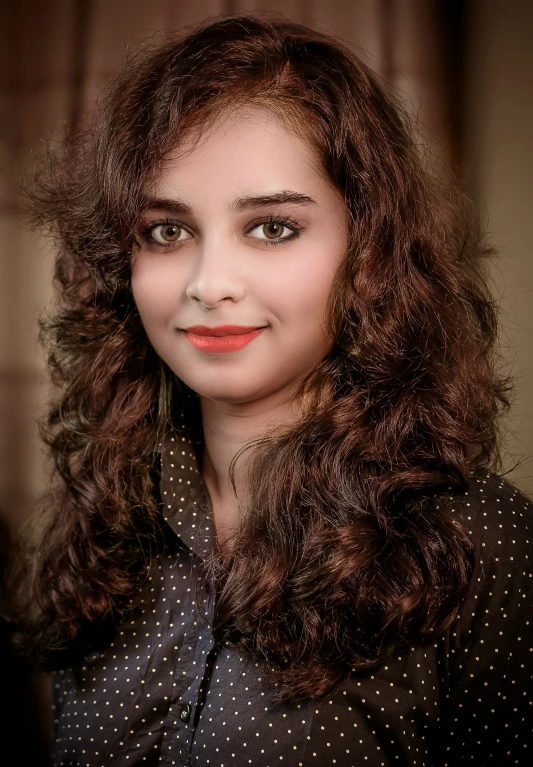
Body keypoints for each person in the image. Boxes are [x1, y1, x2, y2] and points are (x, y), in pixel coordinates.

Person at [7, 12, 533, 767]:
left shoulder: (483, 544)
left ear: (367, 247)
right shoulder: (105, 519)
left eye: (272, 227)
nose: (209, 283)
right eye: (165, 231)